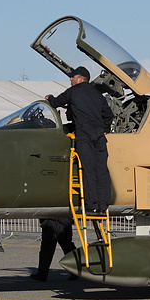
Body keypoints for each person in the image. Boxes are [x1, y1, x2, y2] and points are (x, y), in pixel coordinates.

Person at [47, 66, 113, 214]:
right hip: (99, 136)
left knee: (88, 169)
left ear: (80, 78)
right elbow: (108, 115)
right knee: (102, 170)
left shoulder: (73, 92)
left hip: (85, 135)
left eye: (72, 76)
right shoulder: (98, 95)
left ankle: (92, 206)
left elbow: (57, 102)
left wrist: (49, 98)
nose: (70, 79)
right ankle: (103, 206)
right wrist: (105, 129)